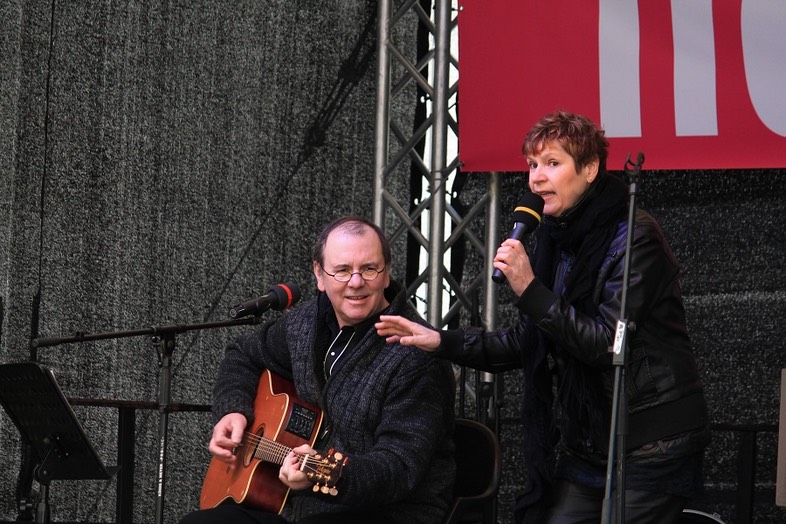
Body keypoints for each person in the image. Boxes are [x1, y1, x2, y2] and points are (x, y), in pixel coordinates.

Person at [375, 111, 710, 524]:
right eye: (532, 165)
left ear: (589, 169)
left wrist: (531, 290)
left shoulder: (635, 238)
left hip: (651, 443)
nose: (536, 178)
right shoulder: (557, 236)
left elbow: (606, 345)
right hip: (589, 443)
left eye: (552, 163)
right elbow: (525, 341)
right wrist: (439, 340)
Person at [181, 216, 456, 524]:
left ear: (387, 273)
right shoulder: (305, 323)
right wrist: (234, 411)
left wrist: (325, 475)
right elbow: (243, 354)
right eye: (341, 270)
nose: (355, 282)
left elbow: (399, 466)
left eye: (369, 269)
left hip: (388, 513)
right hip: (302, 508)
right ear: (319, 275)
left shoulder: (415, 353)